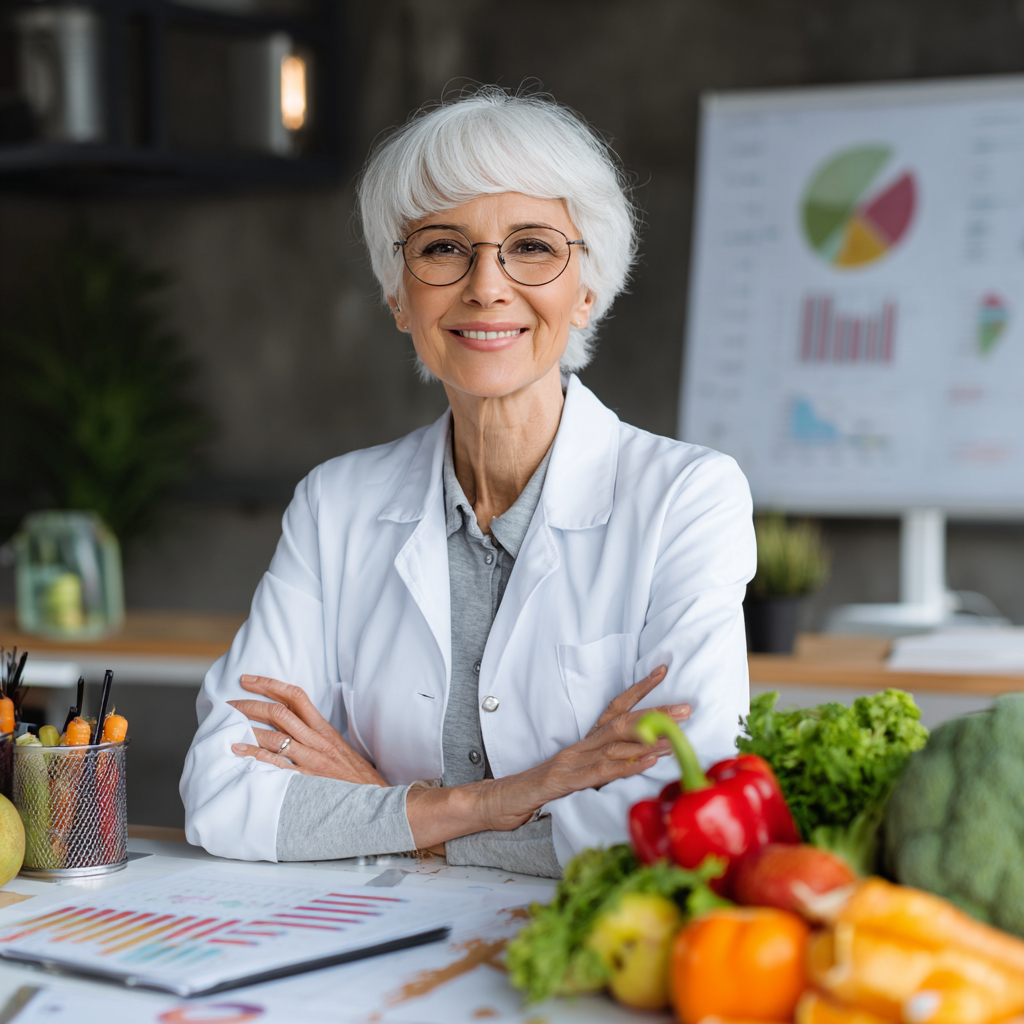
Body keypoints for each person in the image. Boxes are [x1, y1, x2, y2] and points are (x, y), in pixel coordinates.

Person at [180, 87, 755, 876]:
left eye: (532, 246)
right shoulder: (334, 504)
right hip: (356, 954)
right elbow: (223, 792)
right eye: (445, 247)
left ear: (586, 290)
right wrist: (492, 801)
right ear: (398, 294)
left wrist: (384, 807)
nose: (487, 285)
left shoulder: (688, 497)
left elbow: (669, 819)